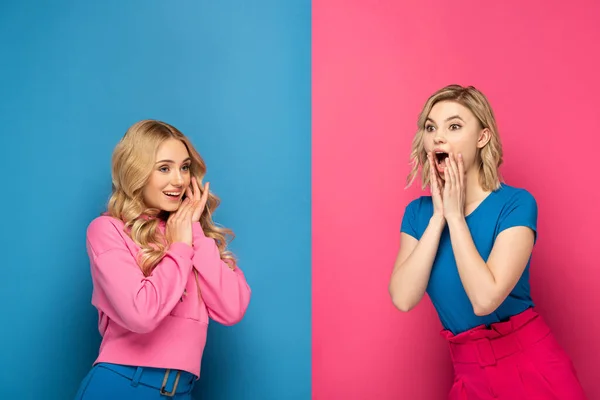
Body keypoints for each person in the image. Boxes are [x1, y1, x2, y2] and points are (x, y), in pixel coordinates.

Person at [388, 85, 586, 399]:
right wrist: (438, 216)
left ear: (482, 137)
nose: (439, 136)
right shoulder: (417, 214)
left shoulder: (516, 204)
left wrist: (454, 217)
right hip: (468, 373)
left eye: (454, 126)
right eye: (430, 127)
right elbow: (403, 297)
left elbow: (484, 300)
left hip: (530, 366)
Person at [74, 120, 251, 399]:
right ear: (137, 172)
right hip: (121, 385)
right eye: (164, 168)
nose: (179, 180)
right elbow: (140, 314)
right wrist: (179, 247)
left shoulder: (195, 237)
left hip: (181, 391)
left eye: (184, 167)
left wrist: (195, 233)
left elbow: (232, 309)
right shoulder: (108, 231)